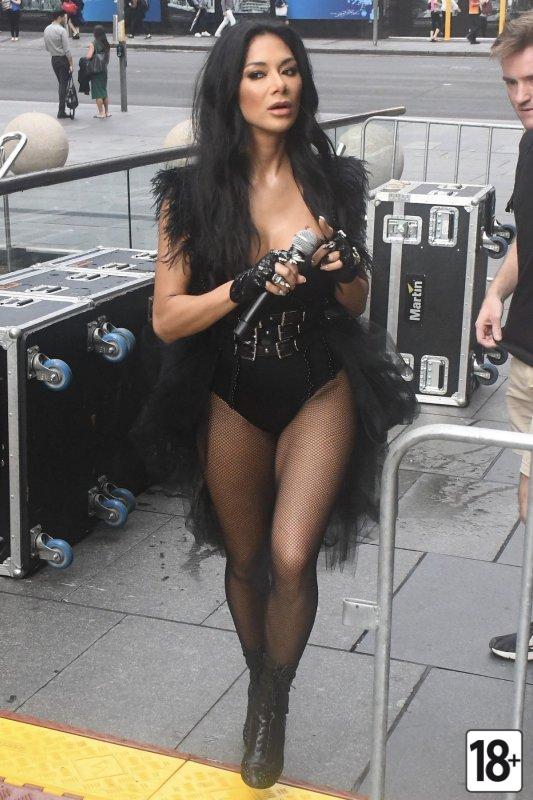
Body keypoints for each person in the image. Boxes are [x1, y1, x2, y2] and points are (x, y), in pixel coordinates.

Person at [146, 21, 417, 789]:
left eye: (289, 70)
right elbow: (167, 318)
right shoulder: (190, 194)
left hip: (318, 381)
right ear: (230, 88)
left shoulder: (332, 181)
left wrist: (343, 267)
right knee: (246, 559)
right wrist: (242, 285)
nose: (279, 86)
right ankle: (258, 683)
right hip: (229, 389)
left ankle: (272, 703)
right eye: (259, 72)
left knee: (292, 556)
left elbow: (356, 302)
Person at [475, 11, 533, 662]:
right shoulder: (528, 145)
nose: (521, 95)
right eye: (511, 84)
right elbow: (526, 237)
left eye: (531, 80)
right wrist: (496, 293)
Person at [44, 9, 74, 120]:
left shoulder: (47, 29)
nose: (65, 19)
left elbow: (47, 48)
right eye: (64, 17)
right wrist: (71, 63)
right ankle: (61, 110)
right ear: (60, 17)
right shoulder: (62, 30)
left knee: (61, 83)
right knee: (63, 85)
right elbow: (67, 50)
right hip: (63, 59)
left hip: (54, 59)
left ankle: (62, 109)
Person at [86, 24, 110, 119]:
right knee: (104, 91)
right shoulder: (106, 44)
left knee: (98, 93)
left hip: (96, 71)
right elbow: (107, 58)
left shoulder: (94, 44)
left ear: (95, 34)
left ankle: (101, 113)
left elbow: (88, 56)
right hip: (104, 69)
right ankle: (107, 112)